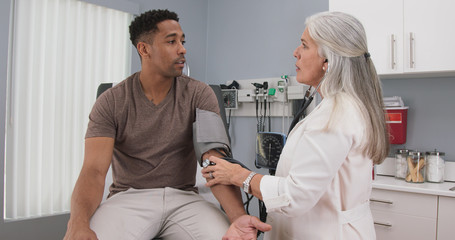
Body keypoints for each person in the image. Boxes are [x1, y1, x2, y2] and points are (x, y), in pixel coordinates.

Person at [64, 9, 270, 240]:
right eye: (171, 41)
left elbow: (215, 161)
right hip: (129, 199)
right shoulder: (112, 101)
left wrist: (237, 217)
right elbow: (93, 171)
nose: (182, 49)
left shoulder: (199, 94)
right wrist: (78, 224)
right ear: (144, 49)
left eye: (182, 41)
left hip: (184, 199)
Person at [202, 11, 390, 239]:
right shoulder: (343, 107)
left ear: (327, 61)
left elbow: (296, 196)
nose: (295, 53)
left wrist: (239, 175)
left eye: (304, 45)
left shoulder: (336, 113)